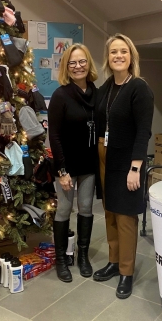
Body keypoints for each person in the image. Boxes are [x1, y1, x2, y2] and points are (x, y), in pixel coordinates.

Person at [93, 33, 154, 299]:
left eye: (123, 51)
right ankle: (114, 261)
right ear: (108, 58)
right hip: (106, 155)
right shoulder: (107, 87)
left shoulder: (139, 88)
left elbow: (144, 131)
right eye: (113, 52)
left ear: (131, 57)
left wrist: (136, 168)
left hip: (128, 160)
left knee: (126, 217)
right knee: (109, 212)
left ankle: (127, 272)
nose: (118, 56)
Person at [48, 43, 98, 283]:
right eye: (73, 63)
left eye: (82, 61)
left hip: (89, 165)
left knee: (86, 209)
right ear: (66, 67)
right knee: (64, 210)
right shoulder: (61, 95)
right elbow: (54, 136)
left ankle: (83, 256)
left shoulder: (96, 93)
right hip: (67, 165)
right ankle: (61, 260)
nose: (78, 66)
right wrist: (62, 171)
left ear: (88, 64)